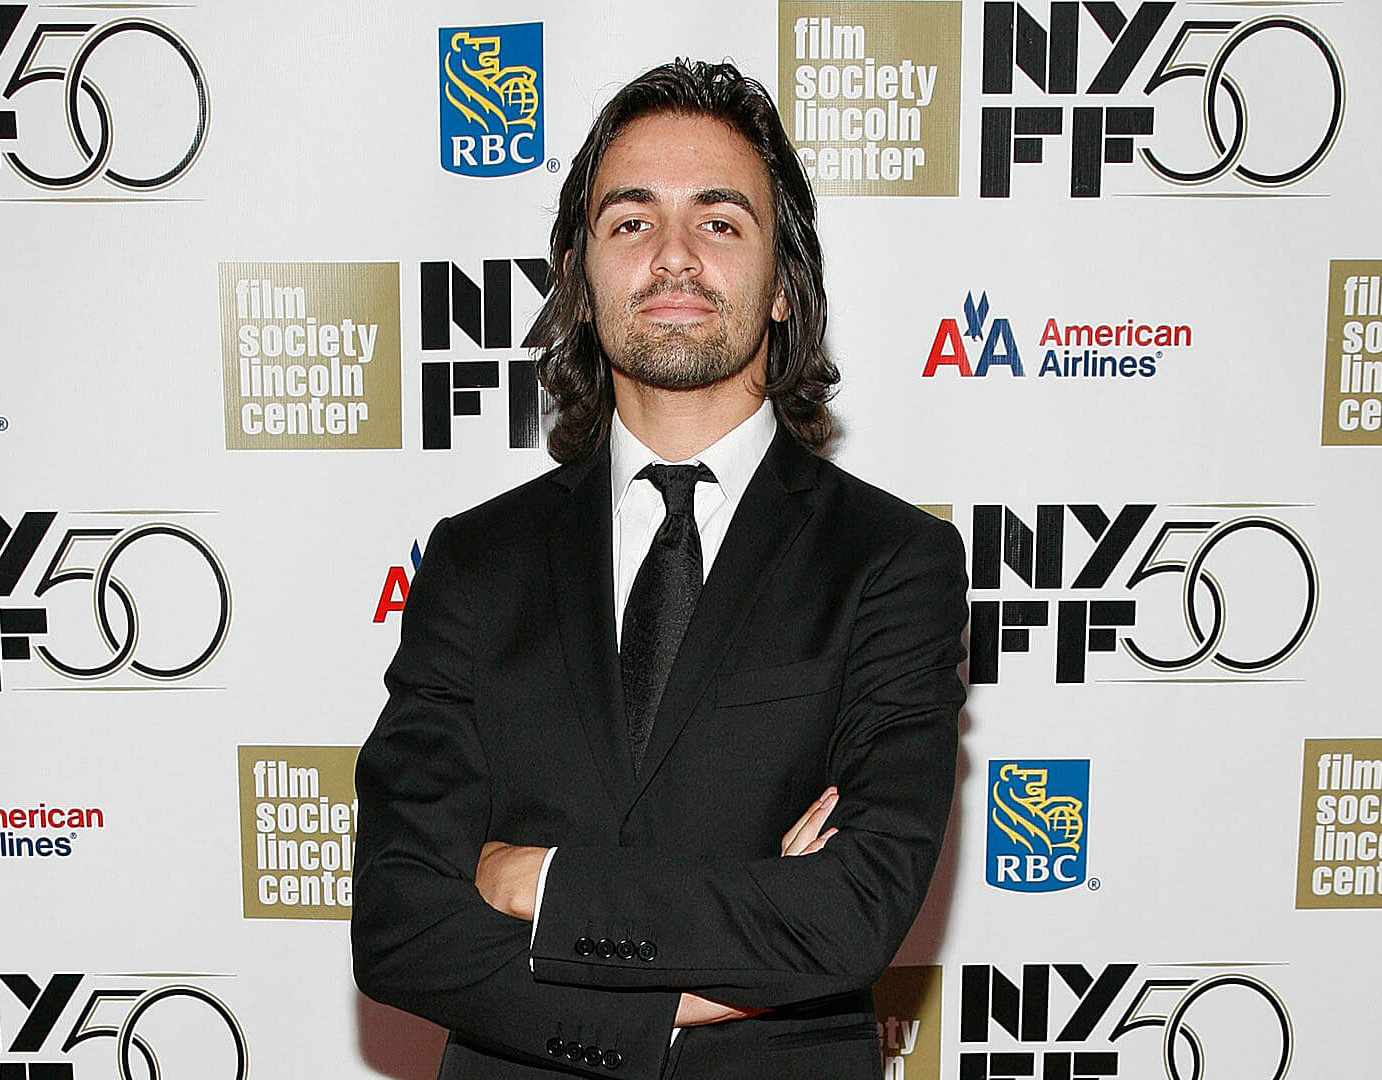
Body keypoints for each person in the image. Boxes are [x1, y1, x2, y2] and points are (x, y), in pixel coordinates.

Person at [351, 59, 966, 1080]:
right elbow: (401, 923)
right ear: (581, 280)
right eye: (631, 222)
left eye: (720, 222)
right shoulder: (476, 561)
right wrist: (713, 968)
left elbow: (854, 913)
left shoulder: (893, 564)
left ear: (783, 284)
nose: (674, 255)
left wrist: (536, 881)